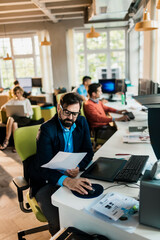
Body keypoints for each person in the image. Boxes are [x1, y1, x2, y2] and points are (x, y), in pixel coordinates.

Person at [28, 92, 94, 236]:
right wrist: (67, 181)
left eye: (75, 114)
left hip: (72, 173)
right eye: (67, 112)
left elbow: (88, 151)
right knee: (60, 222)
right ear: (59, 107)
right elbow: (43, 167)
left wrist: (78, 167)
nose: (71, 118)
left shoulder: (81, 122)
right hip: (46, 181)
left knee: (86, 212)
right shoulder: (46, 130)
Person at [0, 86, 33, 151]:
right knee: (14, 123)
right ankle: (16, 145)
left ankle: (6, 141)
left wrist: (27, 113)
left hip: (24, 118)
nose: (17, 94)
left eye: (18, 93)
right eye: (15, 93)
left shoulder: (26, 101)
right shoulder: (12, 100)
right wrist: (6, 109)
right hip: (15, 118)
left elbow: (31, 112)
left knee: (11, 119)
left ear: (21, 92)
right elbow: (2, 107)